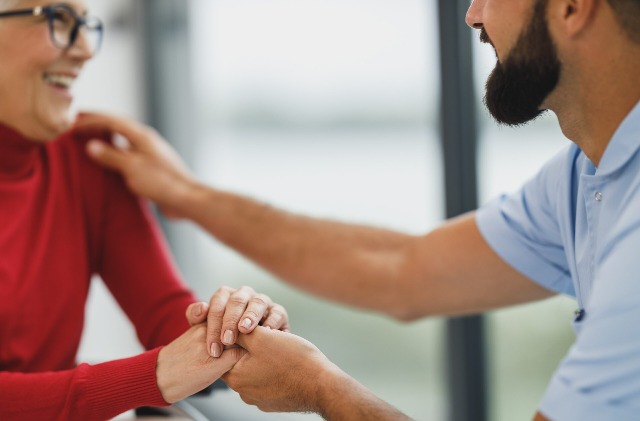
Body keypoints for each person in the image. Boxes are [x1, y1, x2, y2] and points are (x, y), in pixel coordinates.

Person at [77, 0, 640, 419]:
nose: (473, 15)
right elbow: (401, 268)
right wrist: (187, 196)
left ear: (572, 7)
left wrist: (321, 388)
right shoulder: (586, 173)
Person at [0, 1, 290, 419]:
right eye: (57, 19)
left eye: (86, 24)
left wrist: (237, 326)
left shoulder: (88, 157)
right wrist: (154, 376)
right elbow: (163, 368)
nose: (84, 49)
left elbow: (165, 312)